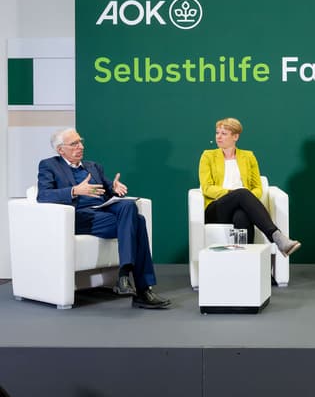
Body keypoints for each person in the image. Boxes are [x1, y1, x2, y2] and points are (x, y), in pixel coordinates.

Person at [37, 128, 171, 309]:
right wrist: (75, 190)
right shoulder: (49, 165)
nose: (80, 146)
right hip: (79, 215)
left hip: (103, 212)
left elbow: (108, 189)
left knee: (129, 206)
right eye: (74, 144)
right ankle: (140, 289)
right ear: (61, 150)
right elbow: (43, 195)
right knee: (138, 222)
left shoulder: (93, 166)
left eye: (80, 141)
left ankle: (125, 276)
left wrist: (115, 188)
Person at [199, 118, 300, 259]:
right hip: (217, 208)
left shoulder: (248, 156)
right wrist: (233, 193)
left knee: (242, 216)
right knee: (242, 193)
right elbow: (207, 188)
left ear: (235, 136)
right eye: (217, 133)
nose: (218, 137)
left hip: (241, 206)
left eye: (224, 133)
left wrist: (242, 195)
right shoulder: (208, 156)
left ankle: (246, 263)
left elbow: (257, 187)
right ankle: (276, 236)